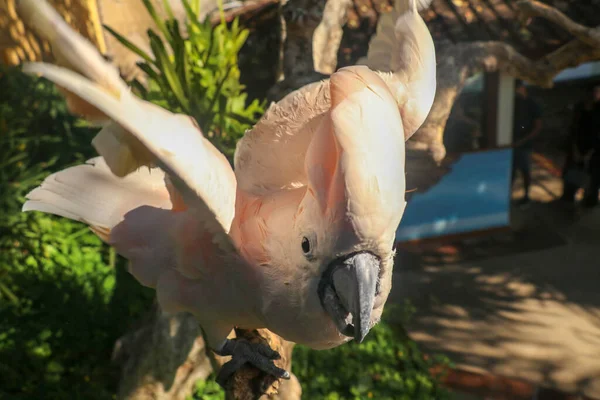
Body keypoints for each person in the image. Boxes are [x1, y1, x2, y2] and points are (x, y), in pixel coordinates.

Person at [560, 84, 600, 207]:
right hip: (578, 147)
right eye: (595, 91)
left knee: (593, 178)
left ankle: (589, 200)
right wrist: (575, 149)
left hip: (595, 151)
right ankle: (569, 196)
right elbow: (574, 129)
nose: (596, 94)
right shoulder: (580, 108)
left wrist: (590, 153)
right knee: (572, 173)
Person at [512, 80, 543, 205]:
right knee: (511, 171)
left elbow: (537, 127)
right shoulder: (515, 103)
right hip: (513, 143)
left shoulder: (532, 104)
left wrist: (523, 141)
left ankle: (526, 196)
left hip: (524, 145)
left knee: (525, 170)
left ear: (522, 88)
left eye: (517, 88)